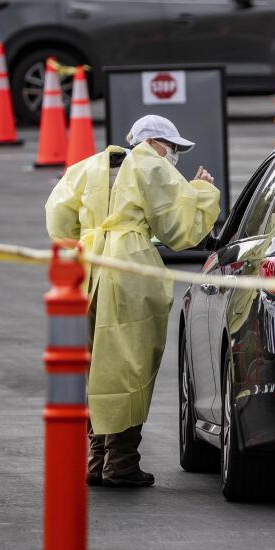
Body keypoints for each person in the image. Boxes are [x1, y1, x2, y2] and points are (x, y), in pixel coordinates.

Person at [45, 115, 220, 488]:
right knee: (131, 364)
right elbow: (179, 232)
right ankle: (121, 462)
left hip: (89, 268)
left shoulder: (87, 168)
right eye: (172, 147)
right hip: (129, 270)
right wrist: (201, 192)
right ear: (155, 142)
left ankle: (96, 459)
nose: (173, 155)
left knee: (96, 365)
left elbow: (58, 220)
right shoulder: (151, 165)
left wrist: (91, 236)